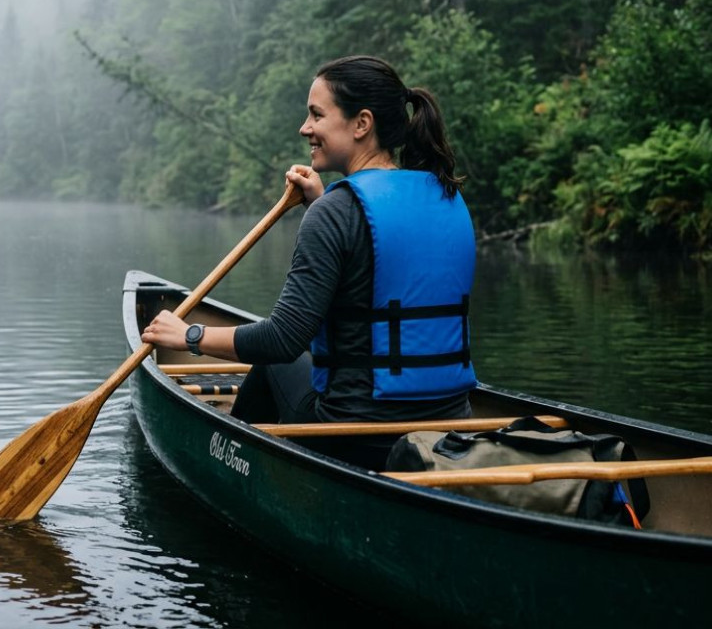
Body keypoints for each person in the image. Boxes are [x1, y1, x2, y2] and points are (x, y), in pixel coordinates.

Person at [139, 55, 476, 470]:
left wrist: (189, 335)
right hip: (450, 430)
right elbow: (383, 255)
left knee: (270, 361)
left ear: (361, 124)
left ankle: (235, 468)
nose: (305, 128)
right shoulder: (445, 195)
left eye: (317, 115)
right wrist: (323, 201)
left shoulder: (337, 211)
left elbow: (282, 340)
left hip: (356, 438)